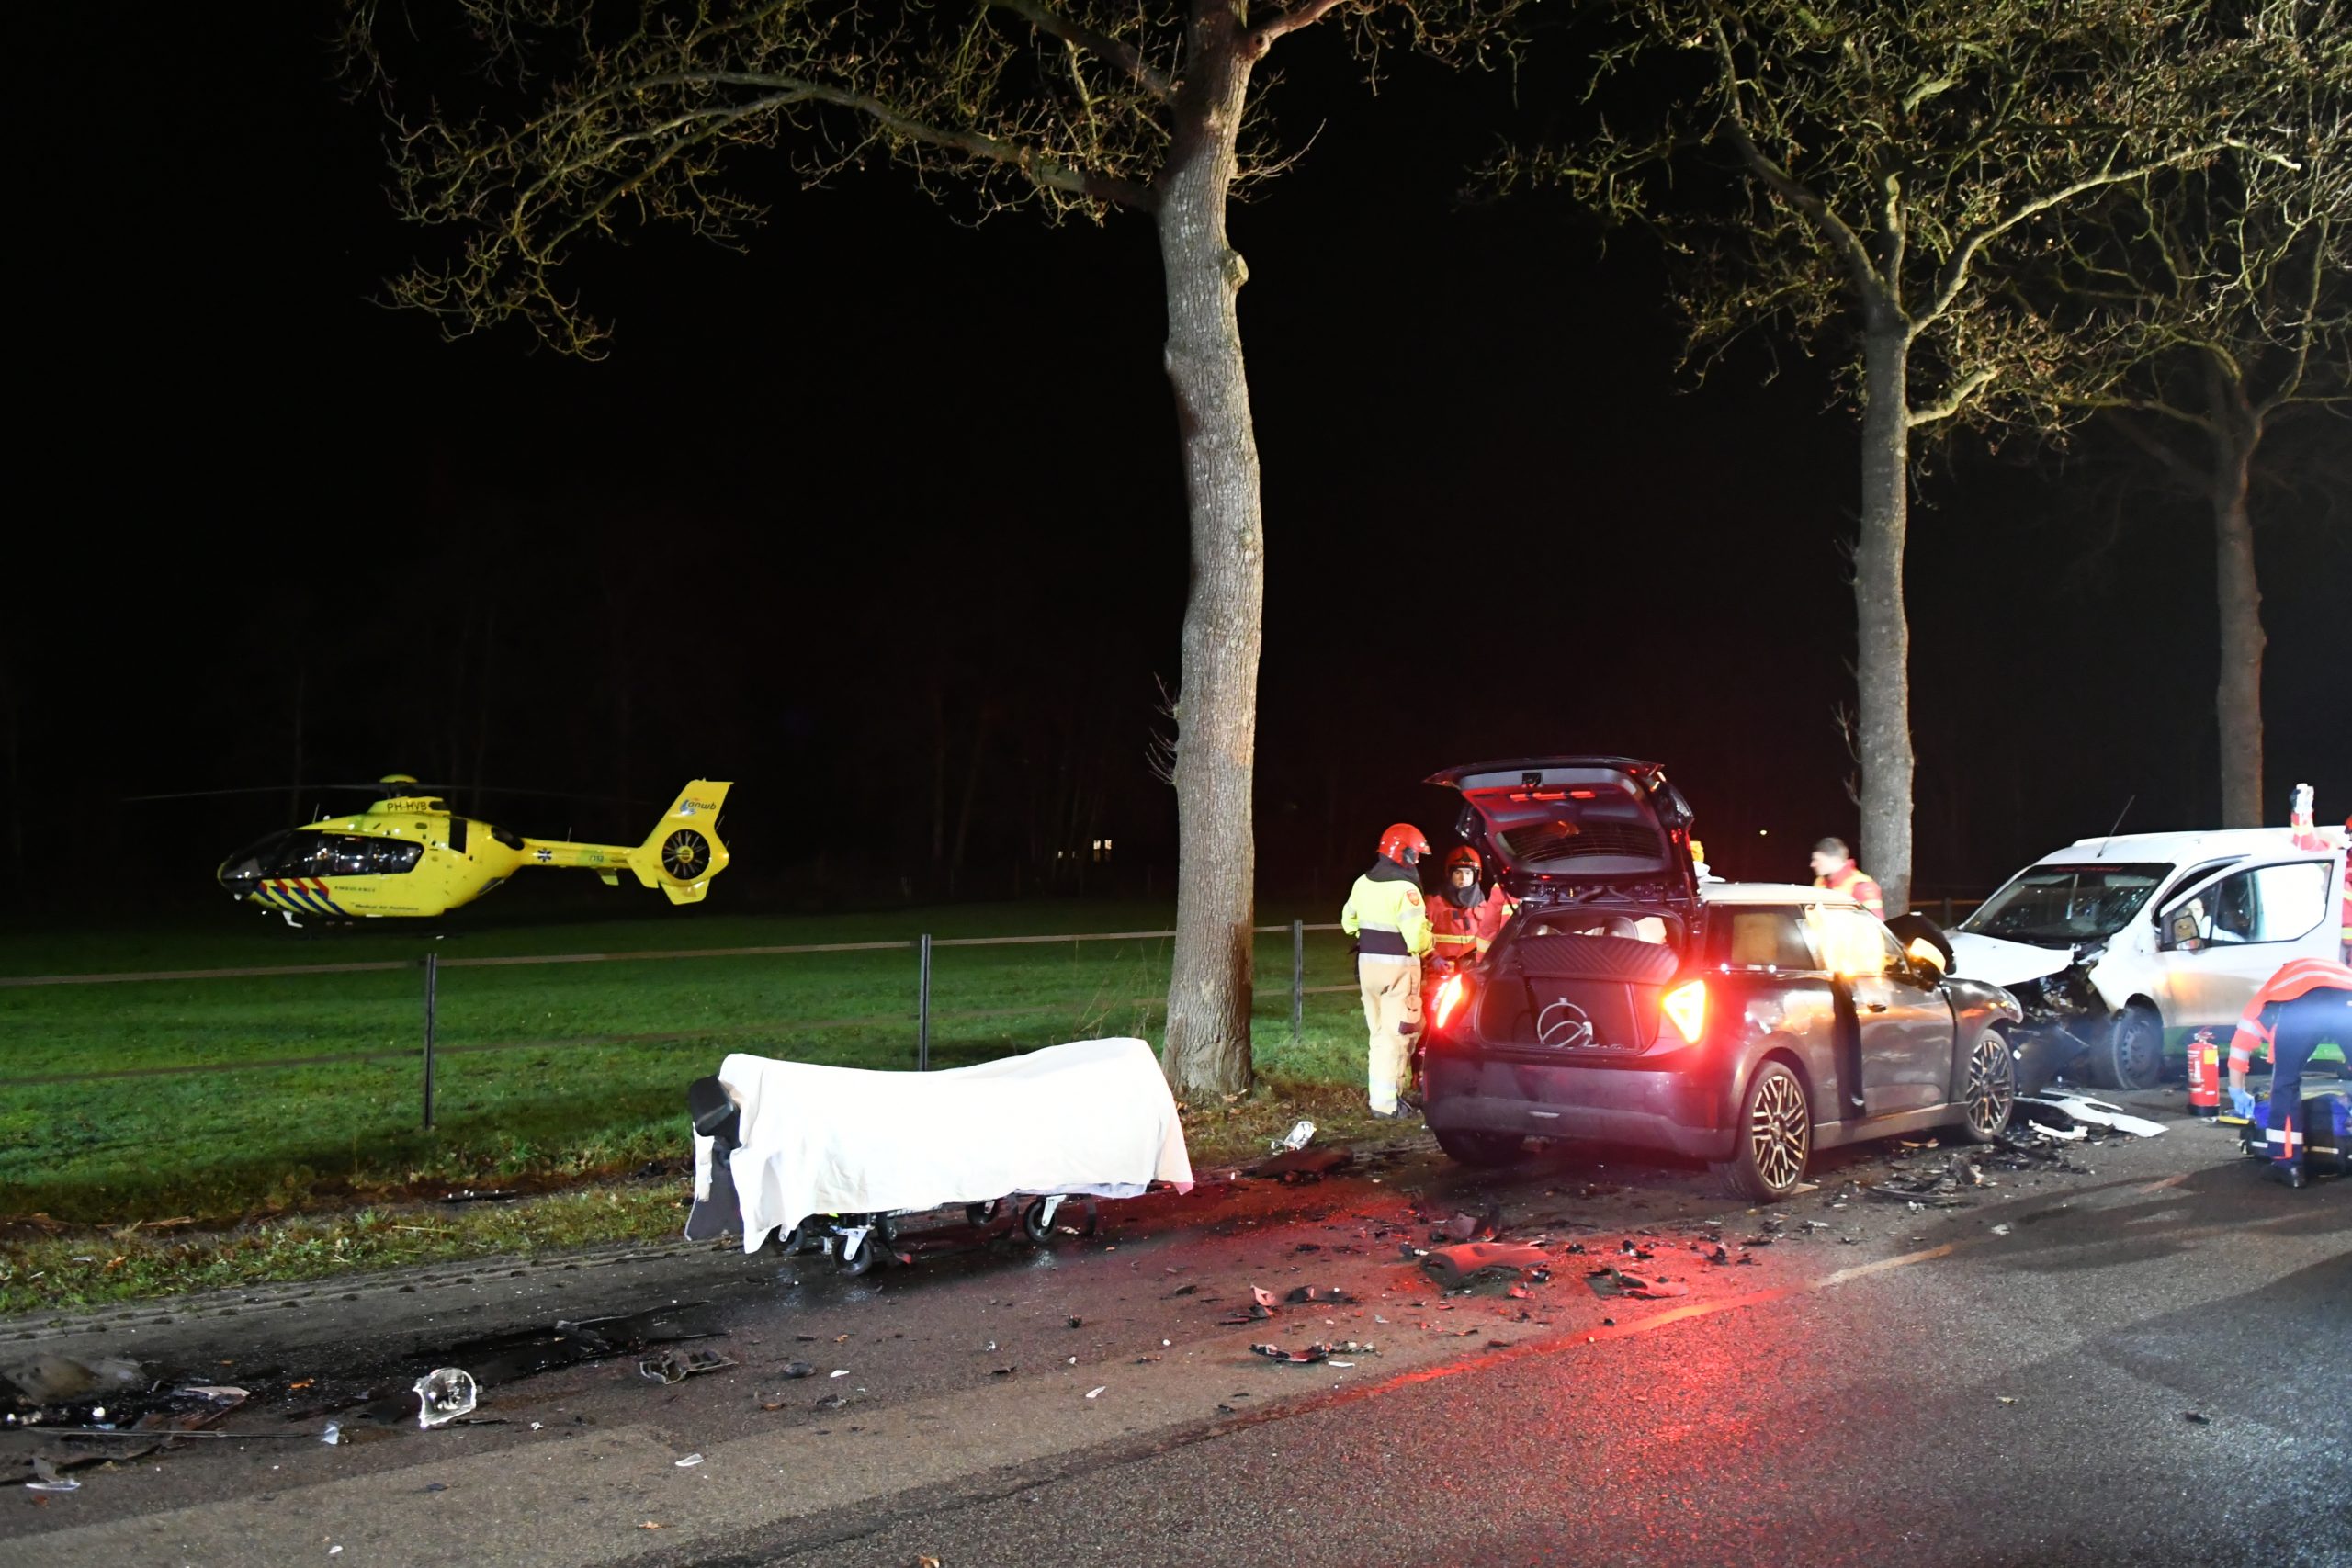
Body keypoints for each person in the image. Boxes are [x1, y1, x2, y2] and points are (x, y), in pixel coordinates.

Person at [2225, 956, 2352, 1189]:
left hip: (2305, 1004)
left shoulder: (2269, 996)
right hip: (2348, 997)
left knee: (2285, 1083)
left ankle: (2287, 1166)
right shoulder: (2331, 970)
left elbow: (2241, 1043)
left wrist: (2237, 1088)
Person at [1340, 823, 1433, 1120]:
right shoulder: (1407, 890)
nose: (1417, 862)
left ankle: (1383, 1097)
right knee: (1400, 1035)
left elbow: (1348, 922)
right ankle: (1388, 1104)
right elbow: (1417, 939)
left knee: (1379, 1035)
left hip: (1367, 967)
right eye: (1416, 855)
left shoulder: (1362, 883)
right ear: (1404, 855)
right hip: (1399, 969)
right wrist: (1431, 941)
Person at [1426, 846, 1513, 976]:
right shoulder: (1433, 903)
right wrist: (1433, 958)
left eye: (1468, 873)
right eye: (1458, 873)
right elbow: (1419, 937)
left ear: (1476, 875)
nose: (1463, 878)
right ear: (1449, 874)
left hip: (1472, 976)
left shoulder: (1483, 905)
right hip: (1439, 974)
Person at [1810, 837, 1885, 917]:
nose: (1812, 864)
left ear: (1835, 860)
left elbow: (1875, 924)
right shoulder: (1820, 882)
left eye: (1817, 860)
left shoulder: (1861, 885)